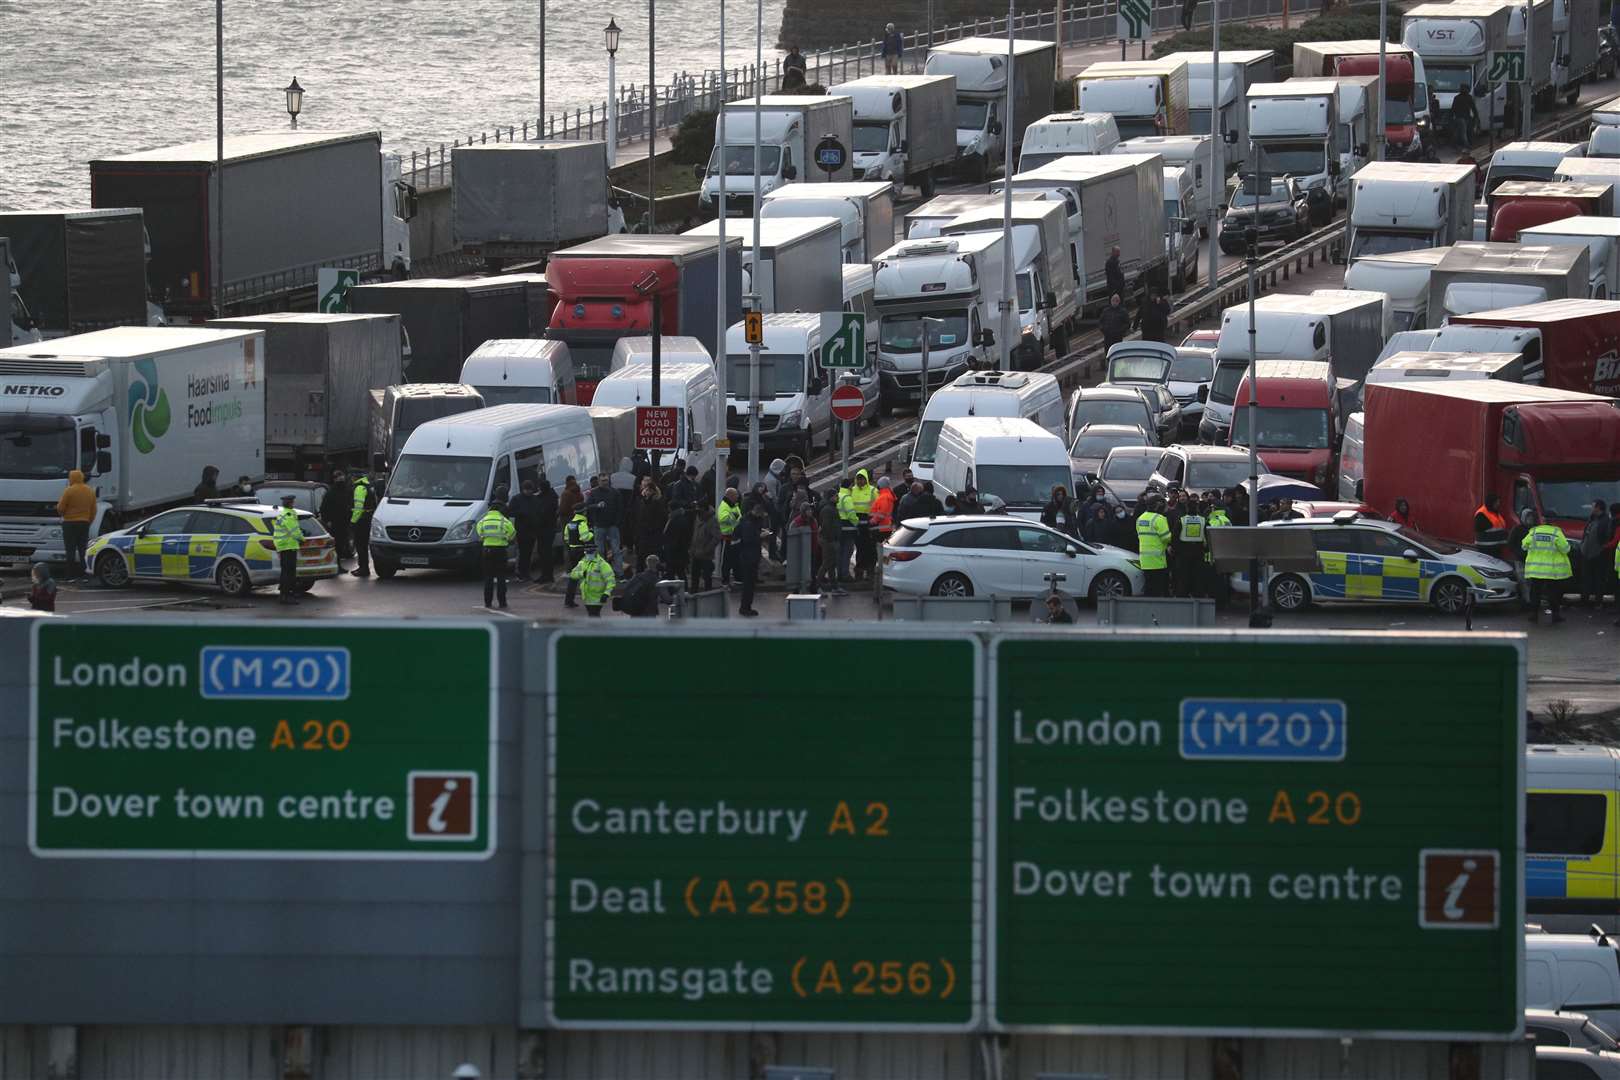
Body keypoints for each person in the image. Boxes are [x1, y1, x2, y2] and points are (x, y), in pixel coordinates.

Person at [1522, 509, 1572, 624]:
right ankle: (1555, 615)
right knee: (1553, 593)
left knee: (1535, 593)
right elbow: (1566, 549)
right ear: (1554, 521)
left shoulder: (1534, 531)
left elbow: (1524, 546)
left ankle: (1533, 615)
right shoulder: (1556, 532)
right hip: (1551, 571)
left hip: (1536, 570)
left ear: (1543, 520)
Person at [476, 498, 516, 609]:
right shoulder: (504, 521)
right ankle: (502, 602)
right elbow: (513, 534)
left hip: (487, 551)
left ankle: (487, 602)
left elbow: (479, 533)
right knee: (501, 577)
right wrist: (506, 539)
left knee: (488, 578)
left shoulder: (483, 521)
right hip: (500, 551)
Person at [56, 468, 95, 580]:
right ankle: (85, 574)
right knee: (83, 549)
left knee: (70, 549)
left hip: (69, 523)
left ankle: (70, 575)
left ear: (72, 478)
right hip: (84, 523)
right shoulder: (89, 491)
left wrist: (62, 513)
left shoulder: (69, 490)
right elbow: (94, 510)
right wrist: (88, 521)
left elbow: (60, 508)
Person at [733, 502, 767, 616]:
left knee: (749, 584)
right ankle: (745, 608)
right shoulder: (749, 523)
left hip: (747, 556)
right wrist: (760, 536)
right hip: (749, 557)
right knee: (748, 584)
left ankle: (746, 606)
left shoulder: (747, 520)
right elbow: (749, 539)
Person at [1135, 496, 1172, 597]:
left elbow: (1139, 535)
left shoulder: (1140, 518)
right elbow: (1167, 538)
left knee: (1148, 589)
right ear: (1157, 505)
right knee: (1158, 589)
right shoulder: (1159, 519)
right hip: (1158, 560)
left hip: (1145, 560)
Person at [273, 494, 304, 605]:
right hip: (289, 546)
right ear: (291, 503)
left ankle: (284, 595)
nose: (294, 503)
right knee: (289, 573)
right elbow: (294, 531)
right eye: (293, 501)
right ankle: (287, 596)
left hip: (283, 546)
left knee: (285, 571)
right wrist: (302, 538)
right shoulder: (289, 515)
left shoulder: (282, 514)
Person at [1581, 500, 1613, 607]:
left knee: (1599, 579)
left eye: (1593, 506)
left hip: (1599, 555)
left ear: (1598, 508)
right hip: (1587, 554)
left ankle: (1598, 602)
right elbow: (1586, 535)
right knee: (1587, 578)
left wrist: (1602, 549)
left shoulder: (1605, 521)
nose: (1591, 508)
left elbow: (1606, 537)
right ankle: (1585, 600)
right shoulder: (1592, 519)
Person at [568, 546, 617, 617]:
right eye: (586, 552)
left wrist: (606, 593)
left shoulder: (602, 564)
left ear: (595, 553)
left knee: (594, 616)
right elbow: (572, 574)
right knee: (593, 616)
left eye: (590, 552)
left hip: (598, 598)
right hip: (587, 597)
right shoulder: (583, 562)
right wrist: (581, 574)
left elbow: (611, 581)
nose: (588, 554)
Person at [847, 468, 878, 579]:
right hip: (857, 522)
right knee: (859, 547)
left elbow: (877, 506)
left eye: (862, 479)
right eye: (858, 479)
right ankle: (859, 570)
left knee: (870, 547)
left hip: (869, 522)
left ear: (866, 480)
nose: (860, 481)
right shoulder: (852, 490)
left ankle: (870, 570)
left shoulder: (872, 490)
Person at [562, 505, 594, 609]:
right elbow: (585, 537)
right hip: (581, 551)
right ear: (584, 513)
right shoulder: (582, 524)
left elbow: (566, 538)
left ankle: (568, 600)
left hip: (572, 551)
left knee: (574, 577)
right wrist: (591, 533)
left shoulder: (569, 524)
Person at [1174, 495, 1207, 597]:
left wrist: (1176, 550)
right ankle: (1198, 596)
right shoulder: (1203, 520)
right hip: (1198, 551)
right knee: (1198, 577)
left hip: (1184, 552)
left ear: (1187, 508)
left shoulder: (1182, 520)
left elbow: (1175, 536)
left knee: (1184, 577)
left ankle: (1182, 596)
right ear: (1196, 508)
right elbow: (1207, 535)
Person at [690, 495, 722, 591]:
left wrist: (706, 550)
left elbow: (716, 537)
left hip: (705, 555)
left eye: (698, 507)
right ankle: (694, 596)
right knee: (694, 577)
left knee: (707, 578)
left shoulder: (712, 521)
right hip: (695, 553)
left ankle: (708, 596)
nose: (696, 509)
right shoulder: (698, 517)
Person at [320, 470, 352, 561]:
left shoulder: (346, 491)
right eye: (338, 478)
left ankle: (339, 562)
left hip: (344, 522)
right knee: (337, 544)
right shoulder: (331, 492)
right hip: (336, 522)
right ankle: (337, 563)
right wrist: (327, 520)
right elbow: (324, 508)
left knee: (341, 543)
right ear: (334, 479)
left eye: (341, 477)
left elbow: (350, 505)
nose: (341, 479)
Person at [349, 471, 377, 578]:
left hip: (361, 520)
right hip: (368, 518)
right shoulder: (369, 486)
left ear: (354, 478)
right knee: (364, 545)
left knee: (360, 545)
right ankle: (364, 568)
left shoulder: (359, 488)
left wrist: (353, 521)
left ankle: (363, 569)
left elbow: (358, 508)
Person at [817, 492, 846, 594]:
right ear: (830, 498)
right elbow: (826, 526)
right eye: (835, 496)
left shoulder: (832, 508)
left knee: (831, 564)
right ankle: (817, 585)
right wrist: (831, 539)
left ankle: (834, 586)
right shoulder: (827, 510)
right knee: (827, 563)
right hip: (829, 540)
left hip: (832, 540)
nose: (837, 497)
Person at [533, 478, 559, 583]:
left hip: (546, 529)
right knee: (544, 552)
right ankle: (546, 575)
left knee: (545, 552)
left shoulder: (548, 499)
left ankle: (547, 575)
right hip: (546, 528)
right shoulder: (550, 496)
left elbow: (544, 513)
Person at [717, 487, 743, 586]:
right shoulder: (724, 506)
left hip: (735, 537)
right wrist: (734, 517)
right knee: (726, 561)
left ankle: (738, 579)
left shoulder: (734, 505)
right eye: (736, 495)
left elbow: (739, 517)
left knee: (736, 559)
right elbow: (723, 519)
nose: (737, 496)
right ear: (730, 496)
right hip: (727, 537)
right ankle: (725, 581)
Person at [1473, 492, 1508, 560]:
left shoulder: (1494, 512)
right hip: (1486, 548)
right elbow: (1480, 530)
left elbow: (1499, 527)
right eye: (1497, 502)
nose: (1498, 504)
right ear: (1491, 502)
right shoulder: (1481, 514)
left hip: (1495, 547)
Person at [1451, 82, 1479, 147]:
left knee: (1466, 130)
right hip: (1461, 118)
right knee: (1464, 131)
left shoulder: (1465, 97)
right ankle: (1466, 144)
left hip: (1464, 117)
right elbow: (1473, 108)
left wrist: (1476, 116)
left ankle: (1466, 143)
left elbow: (1473, 108)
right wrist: (1476, 116)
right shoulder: (1460, 98)